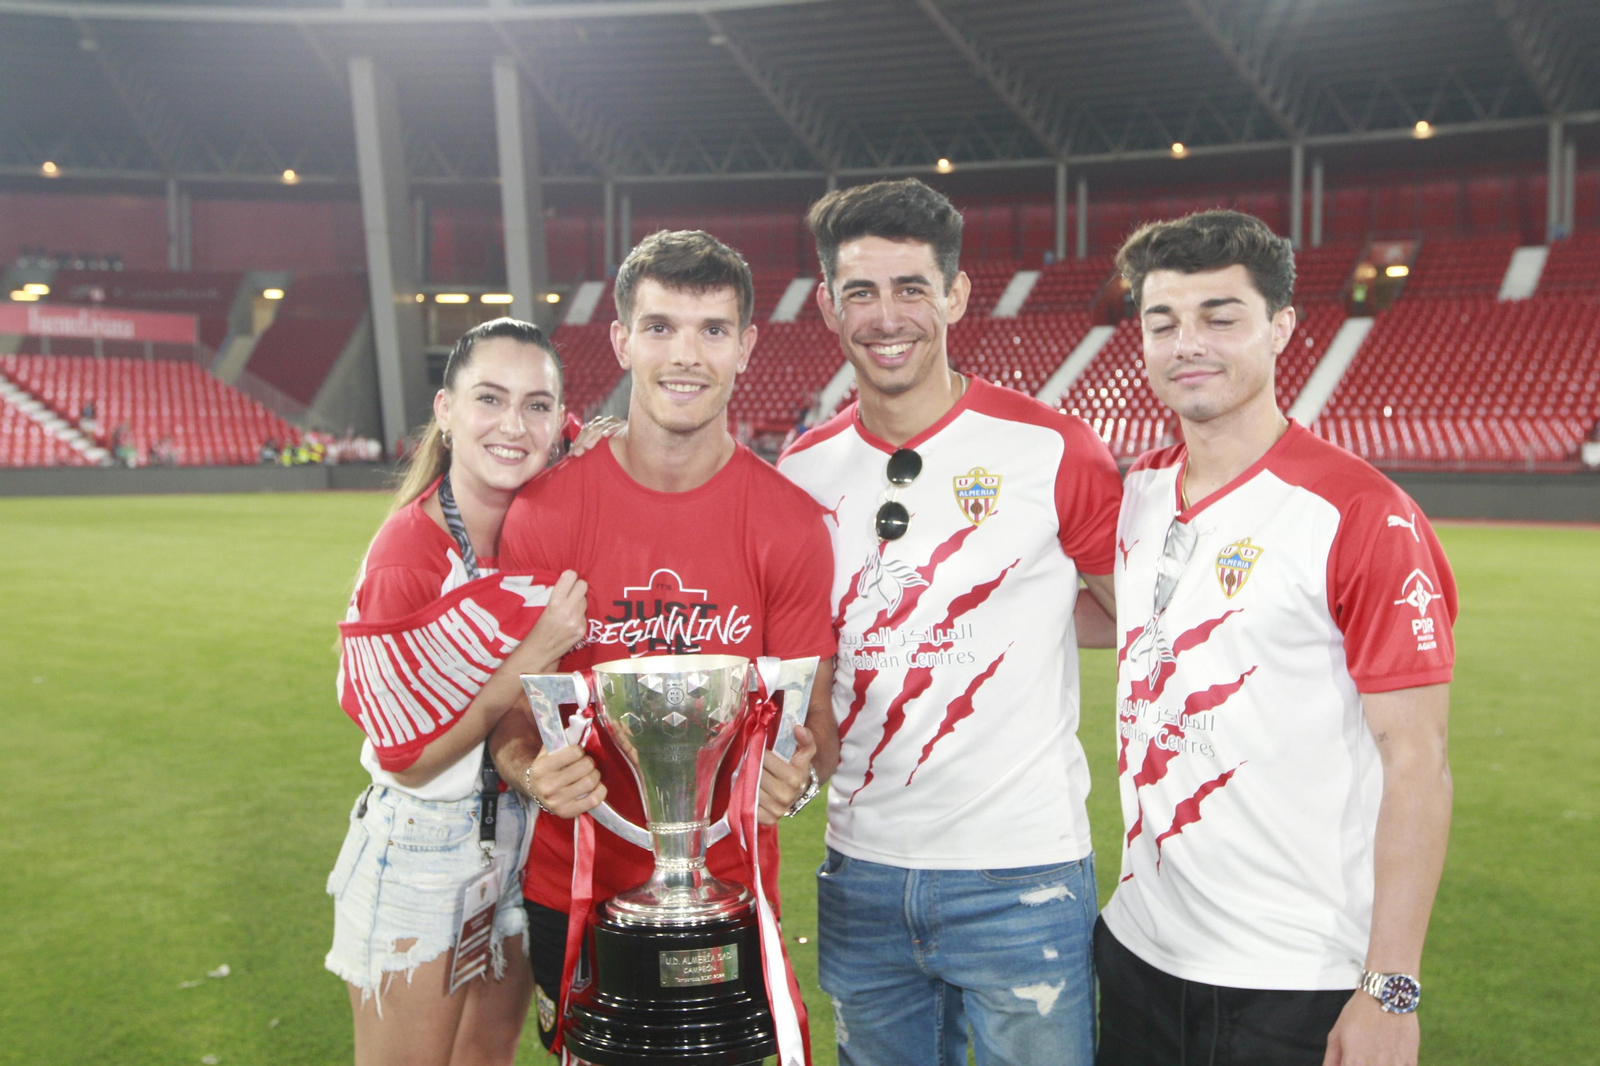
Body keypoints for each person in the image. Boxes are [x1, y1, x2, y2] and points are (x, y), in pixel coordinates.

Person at [1095, 210, 1456, 1066]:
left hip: (1291, 979)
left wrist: (1391, 989)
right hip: (1137, 950)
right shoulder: (1139, 491)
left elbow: (1419, 762)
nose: (1189, 342)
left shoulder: (1362, 514)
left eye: (1221, 316)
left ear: (1281, 325)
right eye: (1163, 321)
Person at [777, 177, 1122, 1066]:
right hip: (863, 872)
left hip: (1022, 876)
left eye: (911, 288)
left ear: (956, 295)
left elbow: (1129, 612)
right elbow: (804, 648)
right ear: (827, 306)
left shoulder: (1052, 449)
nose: (885, 316)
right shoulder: (804, 469)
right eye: (860, 292)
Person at [487, 229, 838, 1061]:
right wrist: (531, 772)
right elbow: (509, 717)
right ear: (620, 340)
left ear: (747, 345)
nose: (686, 355)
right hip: (570, 889)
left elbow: (813, 718)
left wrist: (801, 773)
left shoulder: (789, 524)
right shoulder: (544, 514)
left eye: (713, 329)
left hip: (726, 899)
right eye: (660, 327)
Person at [326, 317, 605, 1066]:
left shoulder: (532, 524)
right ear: (446, 412)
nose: (513, 425)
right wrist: (533, 653)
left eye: (536, 405)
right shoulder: (407, 554)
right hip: (422, 842)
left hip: (519, 837)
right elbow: (408, 759)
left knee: (486, 1059)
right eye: (489, 398)